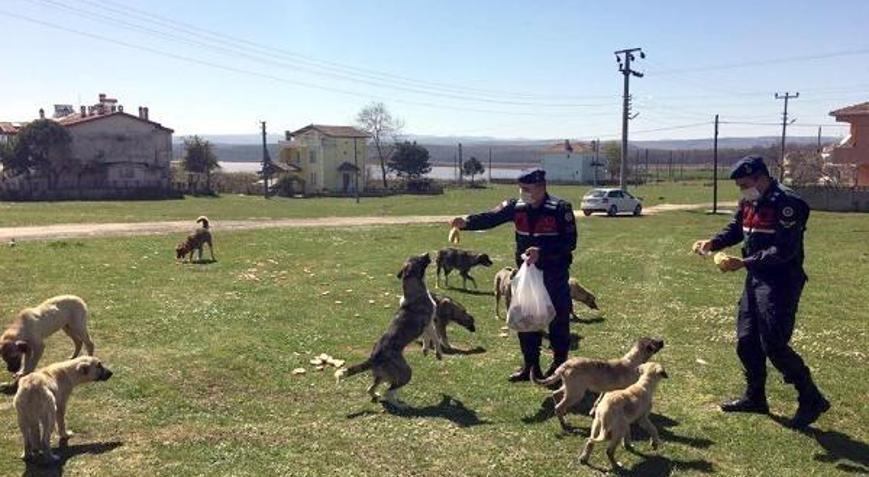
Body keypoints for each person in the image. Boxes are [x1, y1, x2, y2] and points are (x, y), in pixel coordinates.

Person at [693, 155, 829, 429]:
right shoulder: (749, 200)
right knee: (746, 340)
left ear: (760, 177)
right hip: (755, 279)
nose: (742, 190)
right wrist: (713, 243)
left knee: (775, 344)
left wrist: (744, 262)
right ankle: (755, 396)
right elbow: (737, 229)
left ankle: (811, 398)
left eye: (745, 184)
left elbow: (784, 250)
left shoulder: (788, 203)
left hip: (781, 281)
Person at [450, 168, 577, 382]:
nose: (522, 193)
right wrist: (466, 221)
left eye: (527, 189)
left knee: (558, 321)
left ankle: (559, 367)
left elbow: (569, 242)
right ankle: (530, 366)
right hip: (526, 275)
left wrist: (542, 251)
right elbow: (491, 217)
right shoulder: (515, 207)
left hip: (553, 274)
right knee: (525, 319)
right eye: (520, 188)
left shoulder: (559, 209)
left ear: (541, 187)